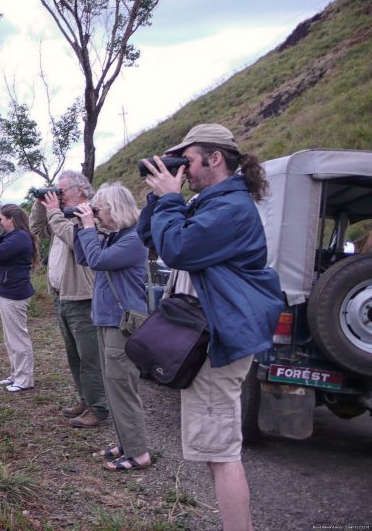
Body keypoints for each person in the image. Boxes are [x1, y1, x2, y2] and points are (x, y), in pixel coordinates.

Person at [138, 123, 283, 531]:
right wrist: (160, 195)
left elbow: (179, 249)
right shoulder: (210, 203)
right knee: (214, 451)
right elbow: (150, 236)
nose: (182, 167)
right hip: (210, 335)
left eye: (187, 159)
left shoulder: (231, 209)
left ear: (215, 158)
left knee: (222, 452)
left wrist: (171, 199)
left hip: (220, 341)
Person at [71, 182, 151, 471]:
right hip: (108, 321)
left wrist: (90, 227)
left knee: (122, 389)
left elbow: (97, 260)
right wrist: (81, 227)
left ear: (114, 209)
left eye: (99, 209)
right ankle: (126, 442)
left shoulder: (133, 240)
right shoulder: (115, 236)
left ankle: (138, 453)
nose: (96, 213)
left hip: (123, 325)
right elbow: (82, 256)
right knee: (113, 386)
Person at [30, 171, 108, 428]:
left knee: (89, 356)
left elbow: (75, 241)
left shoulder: (91, 214)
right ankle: (85, 400)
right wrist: (41, 203)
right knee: (74, 354)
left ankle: (98, 408)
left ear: (81, 191)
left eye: (62, 192)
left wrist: (54, 210)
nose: (59, 196)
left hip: (82, 296)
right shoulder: (62, 214)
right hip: (62, 295)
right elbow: (37, 228)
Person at [0, 204, 37, 393]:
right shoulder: (12, 236)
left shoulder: (20, 237)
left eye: (1, 218)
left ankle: (25, 379)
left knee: (18, 338)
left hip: (14, 293)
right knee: (10, 338)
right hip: (7, 291)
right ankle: (16, 374)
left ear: (11, 220)